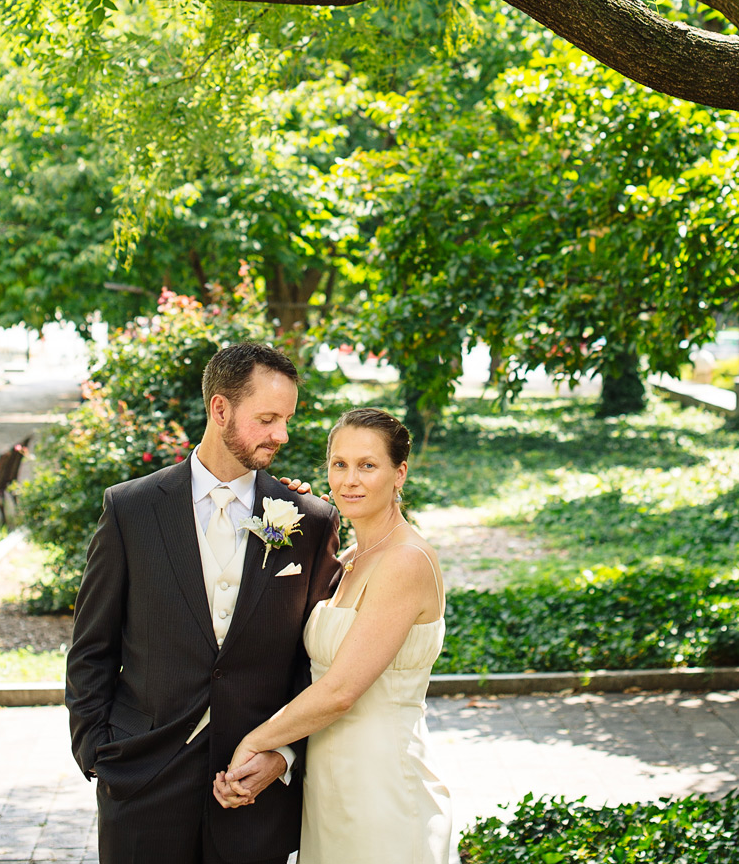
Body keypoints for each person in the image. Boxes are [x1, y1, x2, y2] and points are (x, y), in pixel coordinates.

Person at [66, 341, 340, 864]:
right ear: (220, 409)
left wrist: (283, 756)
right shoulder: (131, 510)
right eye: (266, 419)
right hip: (142, 784)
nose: (280, 435)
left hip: (250, 790)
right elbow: (91, 648)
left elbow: (316, 661)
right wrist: (100, 755)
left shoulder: (307, 519)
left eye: (286, 420)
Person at [215, 406, 452, 864]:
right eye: (339, 464)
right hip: (328, 784)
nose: (350, 480)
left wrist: (253, 742)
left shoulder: (405, 561)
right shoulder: (348, 559)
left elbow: (341, 691)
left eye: (368, 465)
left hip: (383, 787)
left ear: (399, 472)